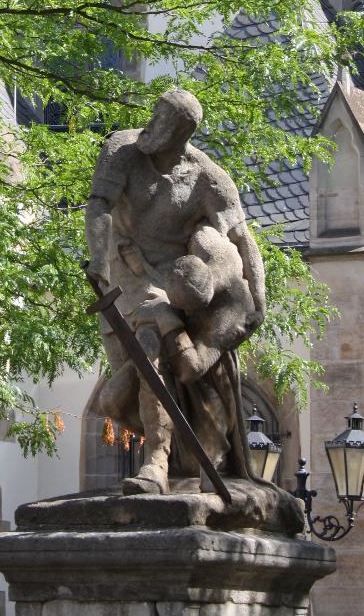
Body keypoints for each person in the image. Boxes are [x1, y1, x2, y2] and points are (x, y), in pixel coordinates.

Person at [85, 89, 266, 494]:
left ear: (181, 134)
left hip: (177, 286)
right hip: (122, 277)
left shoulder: (207, 177)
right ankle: (176, 451)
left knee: (152, 348)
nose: (149, 127)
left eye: (161, 122)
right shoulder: (122, 150)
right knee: (118, 398)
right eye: (153, 115)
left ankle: (157, 463)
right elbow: (98, 206)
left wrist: (259, 297)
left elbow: (242, 238)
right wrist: (97, 259)